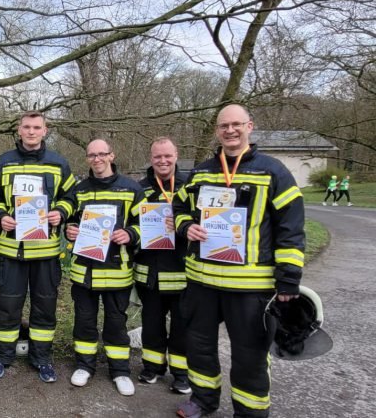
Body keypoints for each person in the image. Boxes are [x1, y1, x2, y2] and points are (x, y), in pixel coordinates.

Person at [172, 104, 305, 418]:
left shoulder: (273, 171)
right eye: (223, 126)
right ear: (217, 131)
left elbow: (291, 226)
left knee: (250, 354)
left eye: (236, 125)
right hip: (202, 281)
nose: (230, 131)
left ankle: (249, 411)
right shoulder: (203, 171)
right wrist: (186, 226)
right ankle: (203, 400)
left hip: (250, 287)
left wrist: (288, 280)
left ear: (250, 127)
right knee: (200, 347)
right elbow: (179, 209)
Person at [0, 111, 76, 383]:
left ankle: (42, 358)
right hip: (11, 251)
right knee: (8, 306)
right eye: (27, 127)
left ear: (45, 130)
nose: (32, 132)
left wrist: (61, 211)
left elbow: (71, 196)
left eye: (37, 127)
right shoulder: (3, 162)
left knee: (44, 307)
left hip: (46, 252)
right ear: (19, 130)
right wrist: (1, 216)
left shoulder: (59, 163)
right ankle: (2, 356)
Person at [60, 139, 144, 396]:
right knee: (84, 321)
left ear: (112, 155)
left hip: (117, 270)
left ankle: (119, 371)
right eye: (91, 155)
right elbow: (70, 221)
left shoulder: (131, 189)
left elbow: (145, 226)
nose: (97, 159)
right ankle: (85, 366)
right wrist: (69, 230)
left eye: (101, 154)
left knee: (115, 323)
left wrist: (131, 234)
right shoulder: (80, 189)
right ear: (87, 159)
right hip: (84, 271)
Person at [133, 137, 191, 394]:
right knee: (152, 322)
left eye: (167, 156)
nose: (163, 161)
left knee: (182, 325)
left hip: (181, 269)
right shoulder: (141, 188)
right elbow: (131, 222)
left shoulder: (190, 185)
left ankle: (181, 373)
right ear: (151, 157)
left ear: (176, 155)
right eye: (157, 157)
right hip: (150, 270)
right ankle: (152, 366)